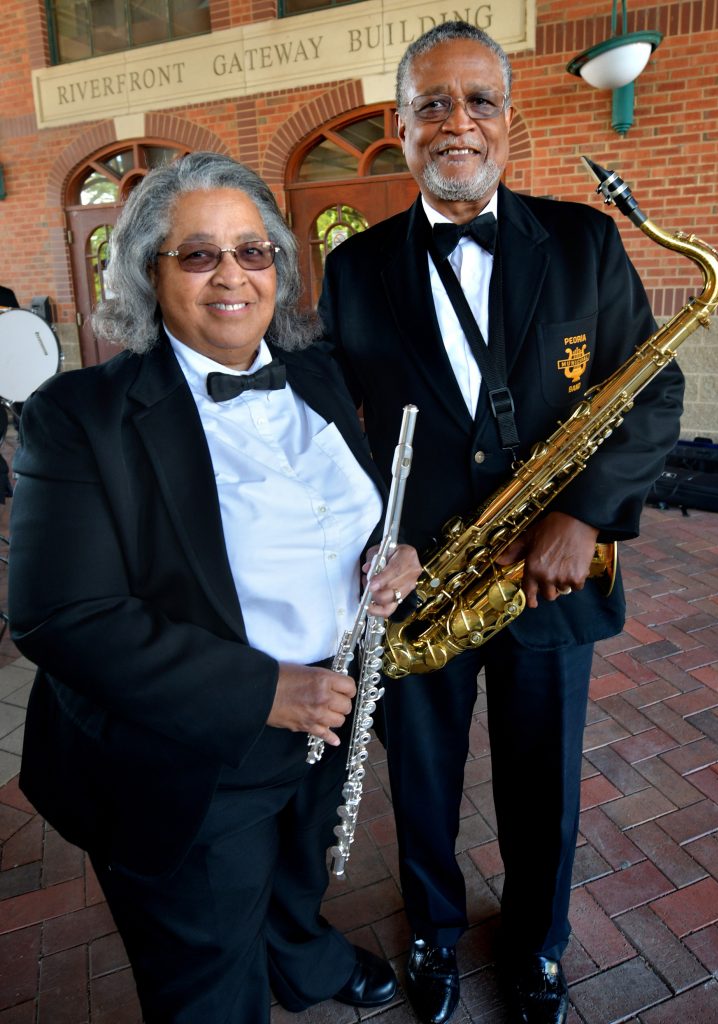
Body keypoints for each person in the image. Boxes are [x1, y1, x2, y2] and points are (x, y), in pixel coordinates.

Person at [319, 21, 685, 1024]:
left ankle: (538, 944)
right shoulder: (354, 271)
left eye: (480, 100)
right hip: (420, 584)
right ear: (400, 128)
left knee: (544, 784)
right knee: (423, 782)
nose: (458, 122)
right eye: (432, 102)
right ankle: (434, 929)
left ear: (509, 122)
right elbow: (331, 432)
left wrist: (587, 511)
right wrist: (367, 537)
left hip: (551, 575)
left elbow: (652, 394)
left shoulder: (584, 241)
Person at [9, 151, 421, 1024]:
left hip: (332, 712)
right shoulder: (79, 417)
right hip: (190, 755)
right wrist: (266, 691)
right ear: (147, 273)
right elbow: (58, 616)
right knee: (206, 981)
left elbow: (341, 514)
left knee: (300, 872)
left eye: (253, 251)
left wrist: (392, 554)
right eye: (198, 255)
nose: (232, 274)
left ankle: (301, 961)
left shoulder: (314, 373)